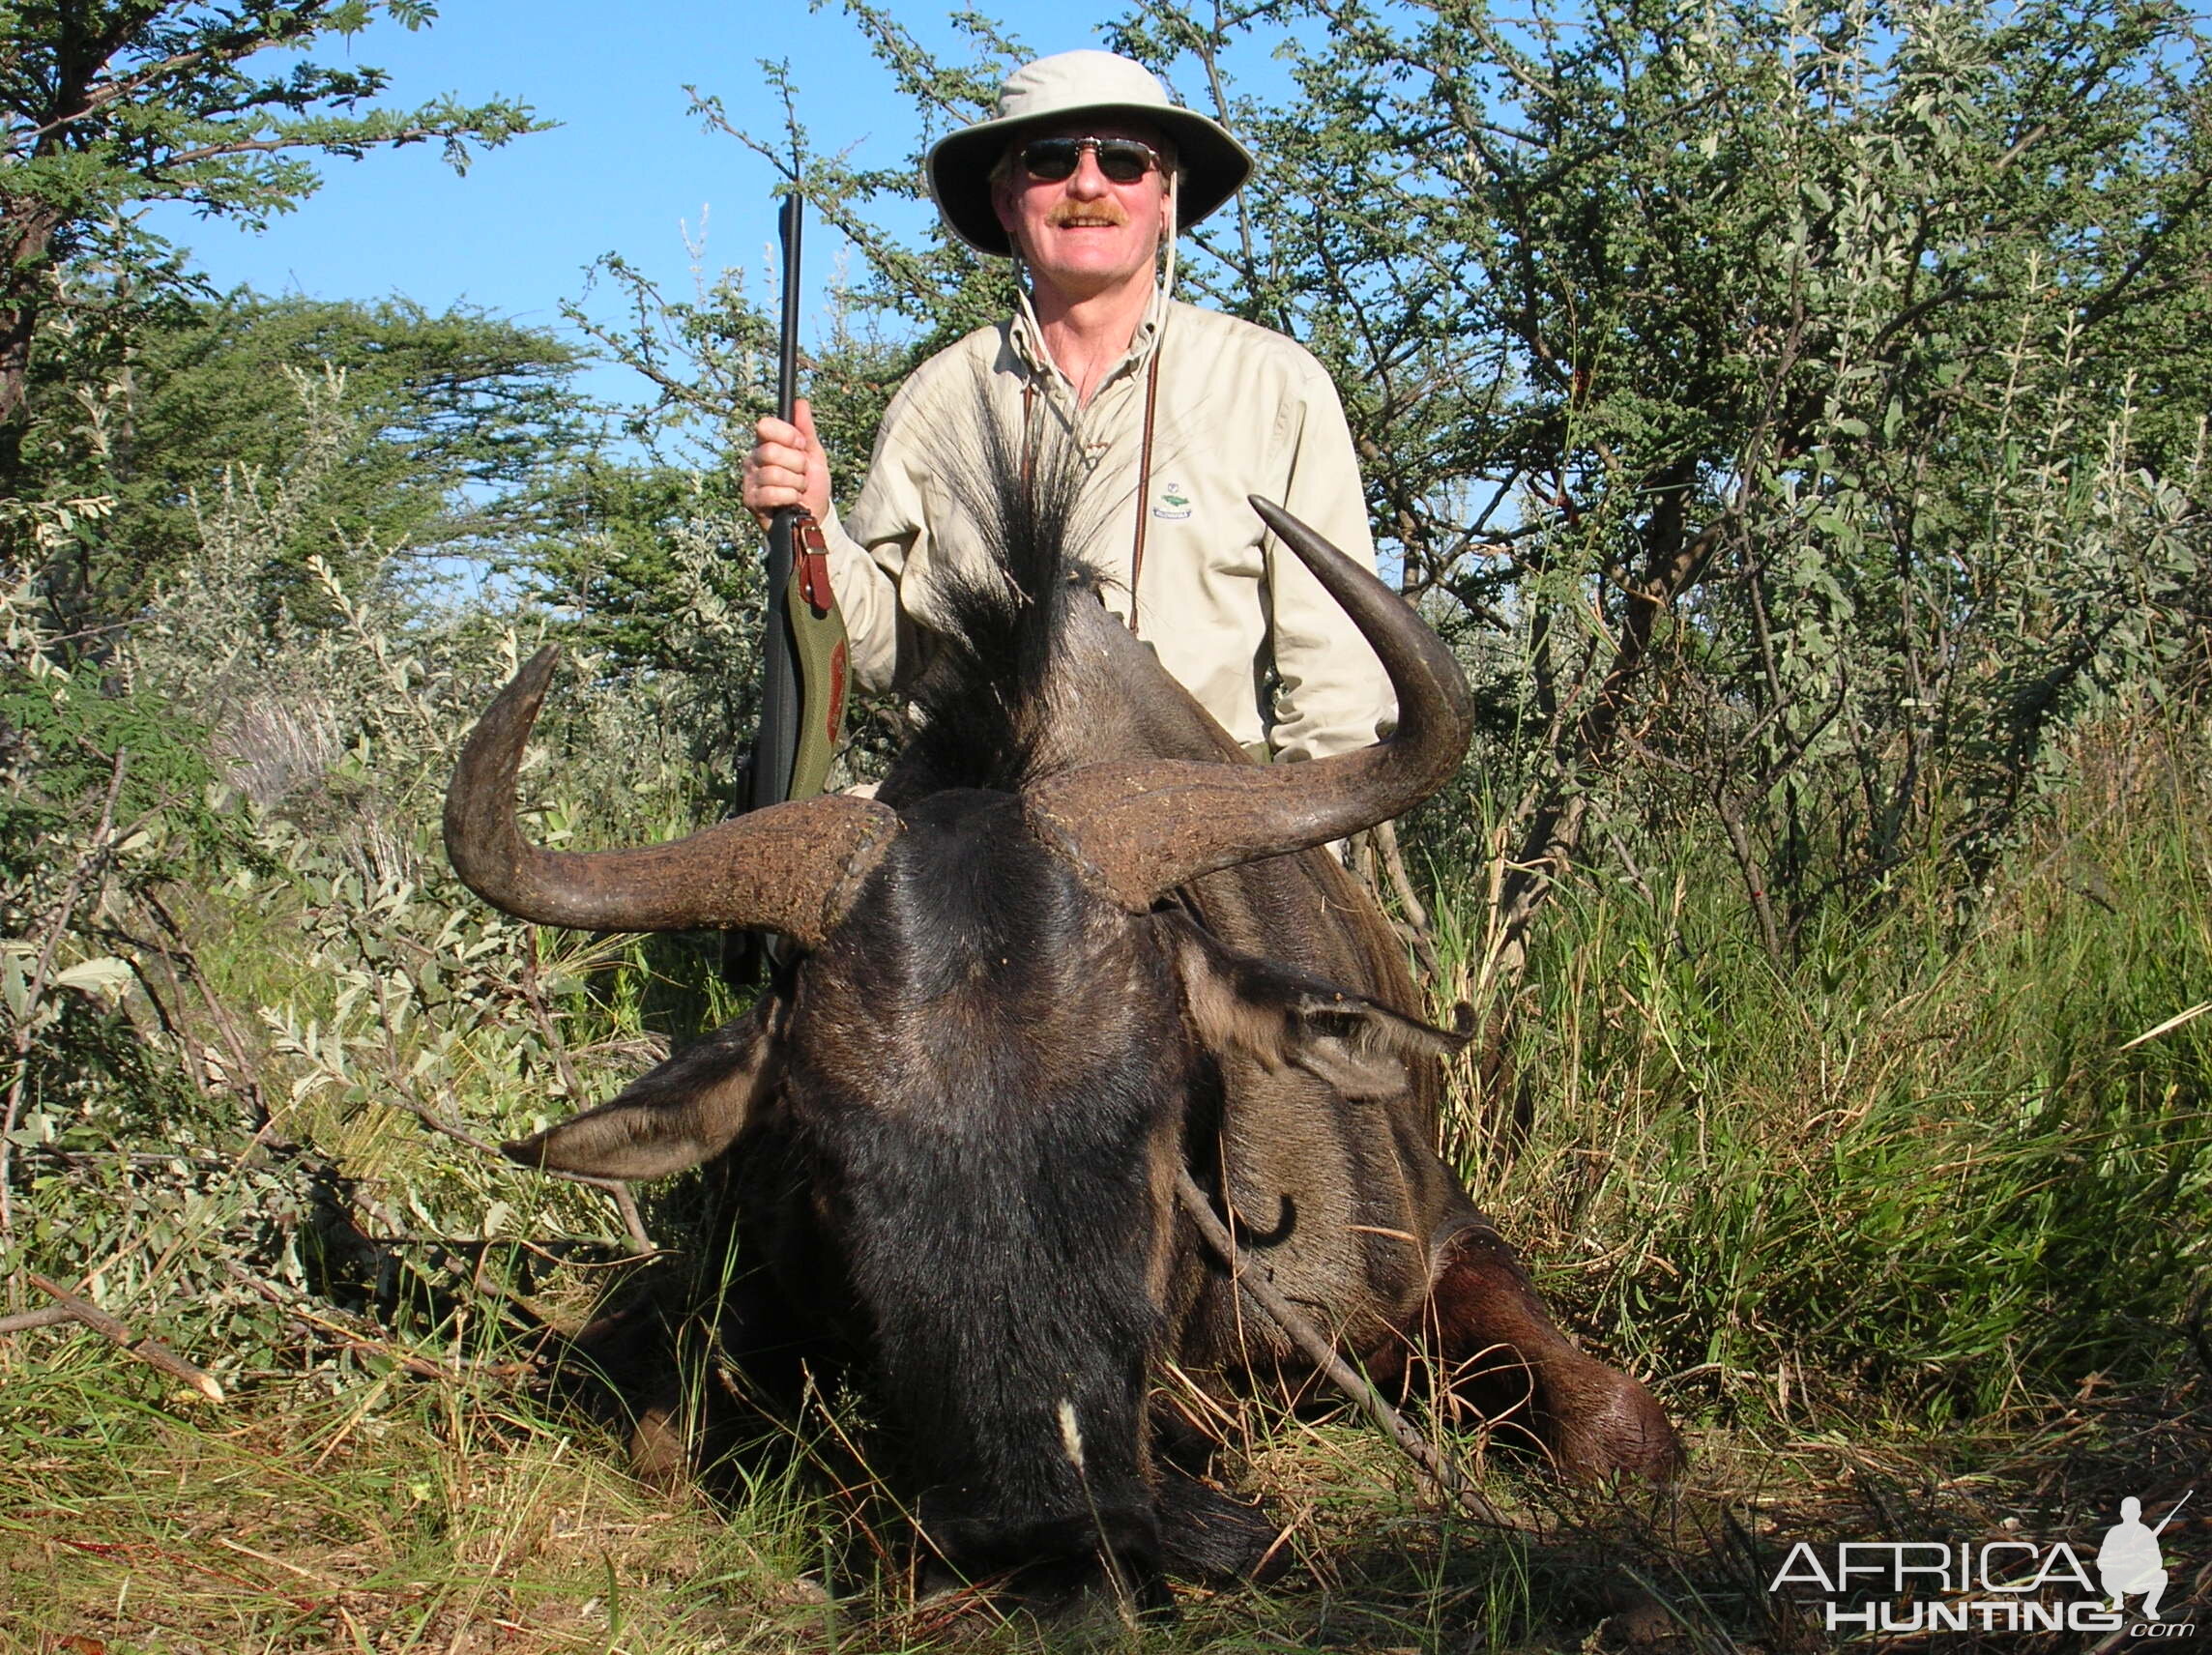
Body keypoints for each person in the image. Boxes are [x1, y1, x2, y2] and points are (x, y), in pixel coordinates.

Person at [742, 49, 1395, 767]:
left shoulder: (1275, 389)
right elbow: (894, 656)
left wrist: (1296, 865)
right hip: (989, 836)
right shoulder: (937, 401)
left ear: (1166, 196)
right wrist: (813, 525)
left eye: (1125, 160)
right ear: (1006, 201)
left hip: (1200, 831)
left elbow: (1337, 688)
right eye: (1050, 160)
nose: (1088, 182)